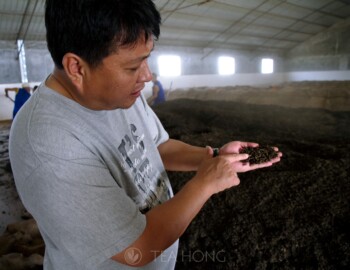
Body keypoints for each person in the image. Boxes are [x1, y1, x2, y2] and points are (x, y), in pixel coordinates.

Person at [9, 0, 282, 269]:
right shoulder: (47, 144)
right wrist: (205, 184)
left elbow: (157, 146)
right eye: (132, 67)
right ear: (77, 68)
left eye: (146, 60)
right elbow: (137, 249)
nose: (147, 76)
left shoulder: (120, 93)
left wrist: (213, 158)